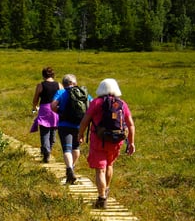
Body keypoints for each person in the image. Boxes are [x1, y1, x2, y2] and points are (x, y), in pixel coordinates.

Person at [78, 78, 136, 209]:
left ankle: (102, 198)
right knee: (109, 165)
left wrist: (80, 134)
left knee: (100, 170)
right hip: (116, 141)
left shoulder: (96, 102)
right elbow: (131, 124)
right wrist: (131, 142)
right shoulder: (122, 104)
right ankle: (107, 188)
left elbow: (85, 121)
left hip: (99, 140)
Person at [51, 74, 90, 184]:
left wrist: (60, 112)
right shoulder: (82, 92)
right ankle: (72, 168)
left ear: (64, 84)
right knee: (76, 148)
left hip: (65, 124)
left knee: (67, 149)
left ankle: (70, 169)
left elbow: (53, 106)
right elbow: (90, 105)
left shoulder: (61, 92)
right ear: (75, 83)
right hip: (80, 124)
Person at [31, 67, 60, 163]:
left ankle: (46, 151)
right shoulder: (59, 85)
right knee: (53, 131)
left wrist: (34, 107)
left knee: (44, 132)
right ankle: (49, 149)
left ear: (43, 75)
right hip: (55, 109)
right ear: (53, 75)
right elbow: (63, 97)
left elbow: (35, 99)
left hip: (44, 110)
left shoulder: (41, 85)